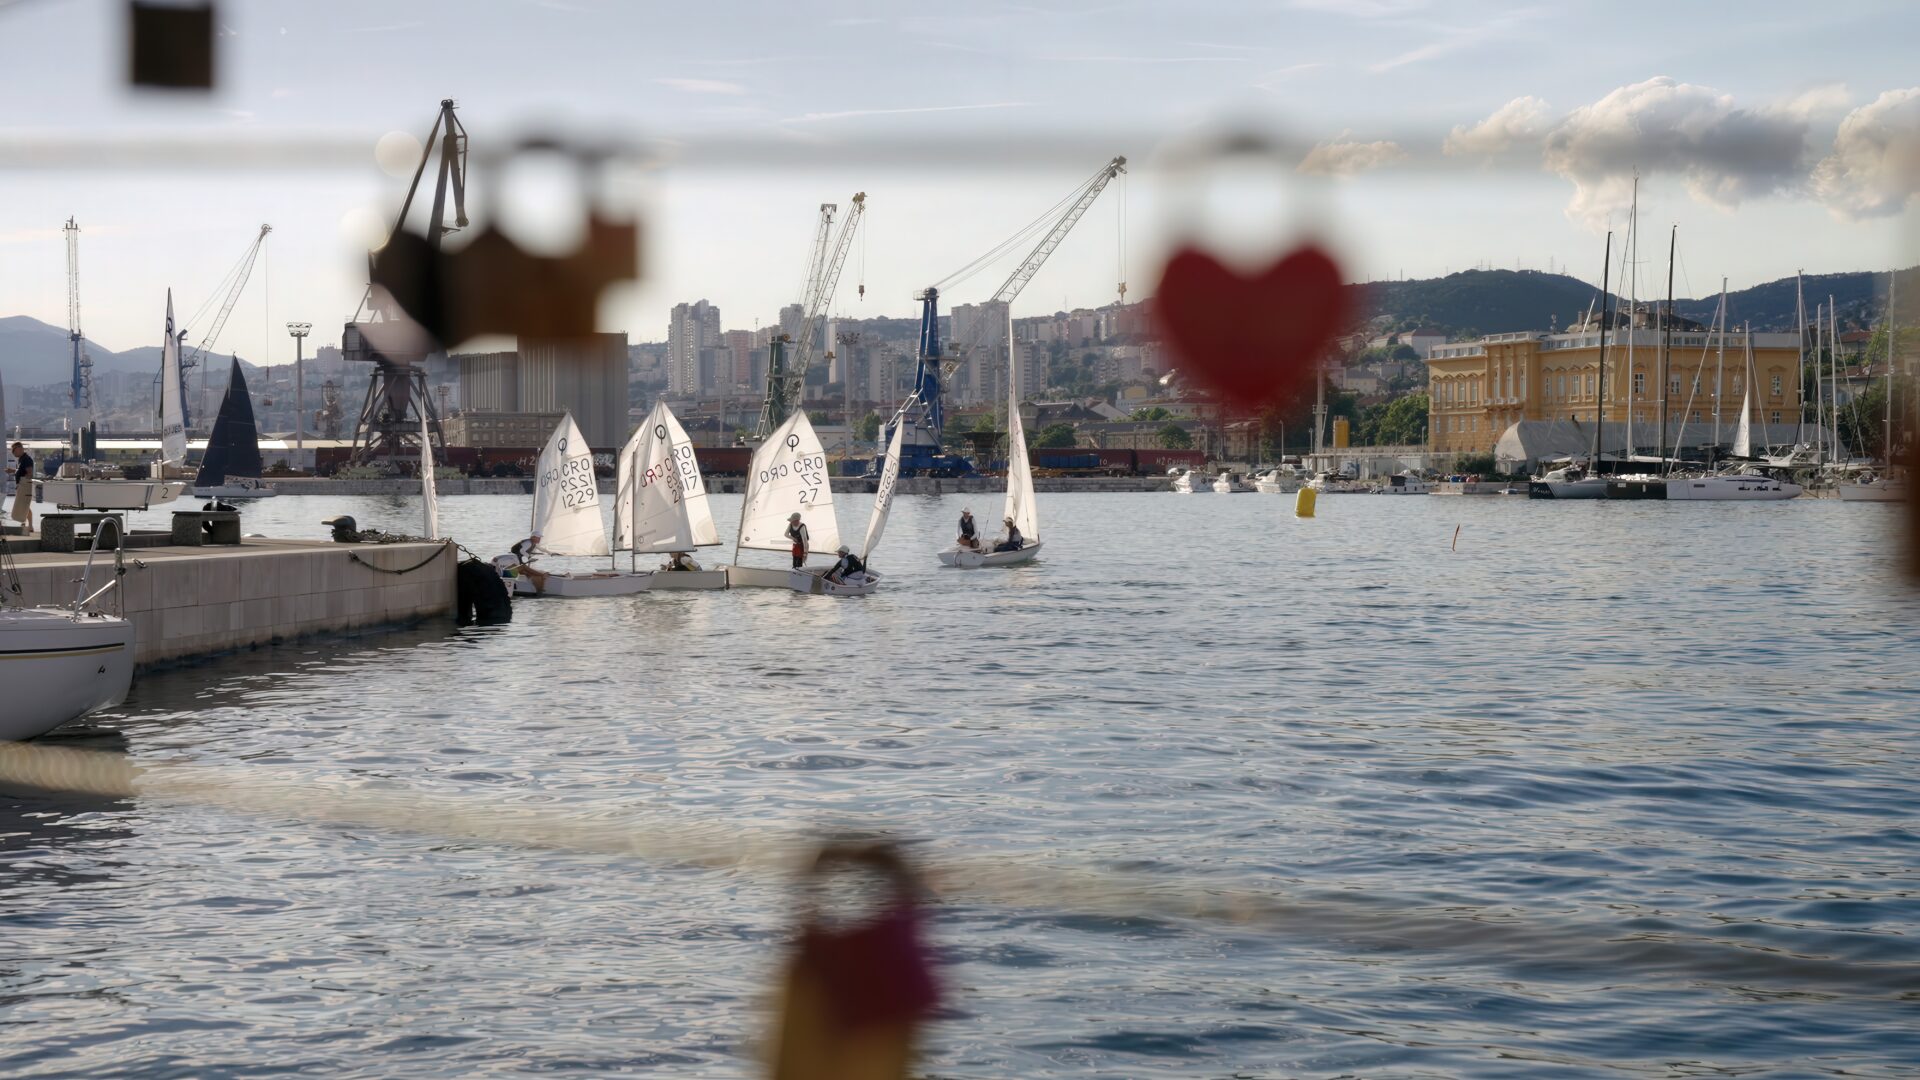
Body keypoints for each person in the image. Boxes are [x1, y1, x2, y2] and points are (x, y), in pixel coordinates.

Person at [7, 441, 33, 532]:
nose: (13, 453)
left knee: (25, 505)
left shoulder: (26, 459)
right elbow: (22, 471)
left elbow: (29, 473)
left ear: (18, 449)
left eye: (13, 451)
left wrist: (23, 483)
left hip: (24, 485)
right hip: (22, 485)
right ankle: (25, 523)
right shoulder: (22, 459)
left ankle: (29, 525)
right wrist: (13, 471)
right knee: (24, 505)